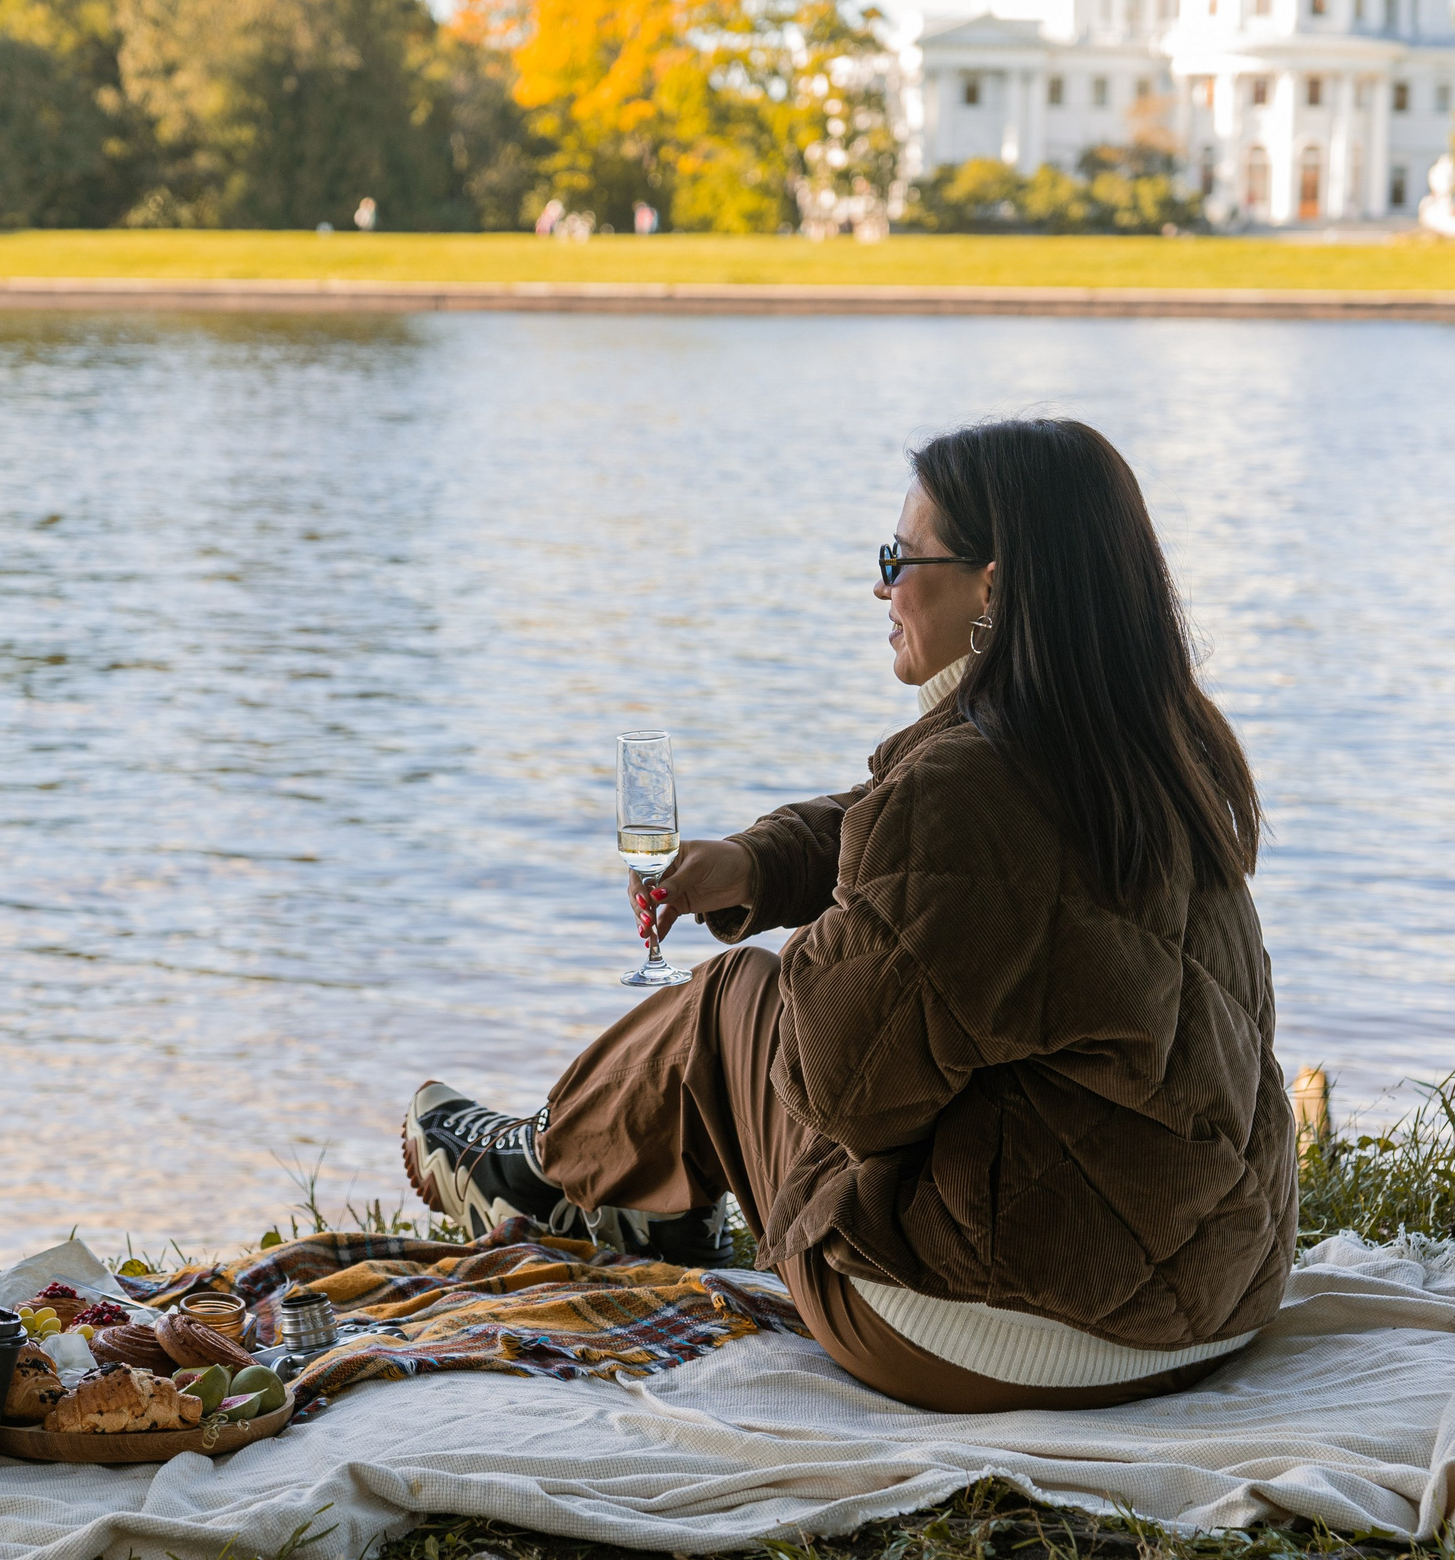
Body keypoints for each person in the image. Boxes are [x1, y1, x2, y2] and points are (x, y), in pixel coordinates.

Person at [401, 418, 1295, 1413]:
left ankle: (539, 1173)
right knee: (761, 1007)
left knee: (738, 1000)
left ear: (990, 587)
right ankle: (608, 1187)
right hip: (1206, 1309)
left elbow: (841, 1093)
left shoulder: (971, 782)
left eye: (898, 560)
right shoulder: (1152, 746)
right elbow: (960, 866)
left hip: (997, 1336)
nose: (878, 588)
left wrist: (809, 956)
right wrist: (759, 863)